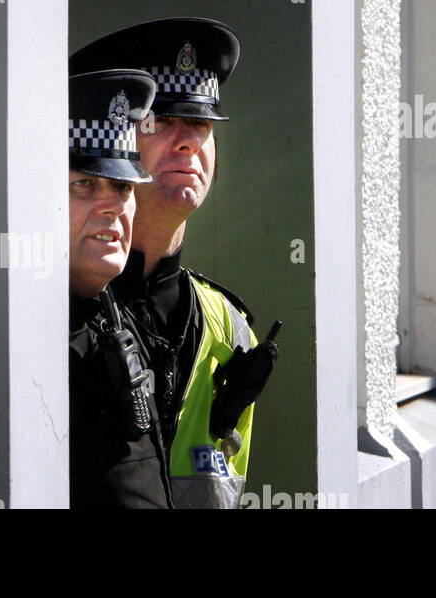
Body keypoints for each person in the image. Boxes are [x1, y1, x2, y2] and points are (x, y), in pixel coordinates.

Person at [71, 17, 280, 509]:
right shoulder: (62, 309)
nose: (189, 140)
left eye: (202, 123)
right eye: (161, 121)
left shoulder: (232, 332)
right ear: (112, 139)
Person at [66, 69, 172, 508]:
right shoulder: (14, 342)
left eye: (123, 186)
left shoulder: (119, 320)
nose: (112, 205)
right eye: (85, 184)